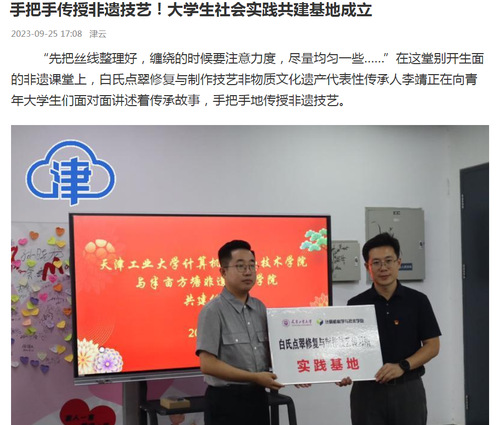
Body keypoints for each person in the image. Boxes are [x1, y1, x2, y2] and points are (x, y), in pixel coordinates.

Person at [338, 232, 441, 425]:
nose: (383, 267)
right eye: (376, 262)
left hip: (408, 390)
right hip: (367, 392)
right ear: (367, 267)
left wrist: (402, 366)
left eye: (388, 261)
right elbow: (347, 349)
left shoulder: (417, 301)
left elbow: (433, 345)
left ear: (398, 263)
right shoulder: (356, 304)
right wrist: (341, 371)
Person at [195, 240, 283, 425]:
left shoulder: (260, 308)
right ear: (223, 272)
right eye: (241, 266)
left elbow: (272, 354)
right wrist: (254, 377)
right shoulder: (212, 311)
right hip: (225, 402)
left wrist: (294, 372)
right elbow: (207, 364)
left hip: (257, 398)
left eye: (252, 265)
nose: (248, 271)